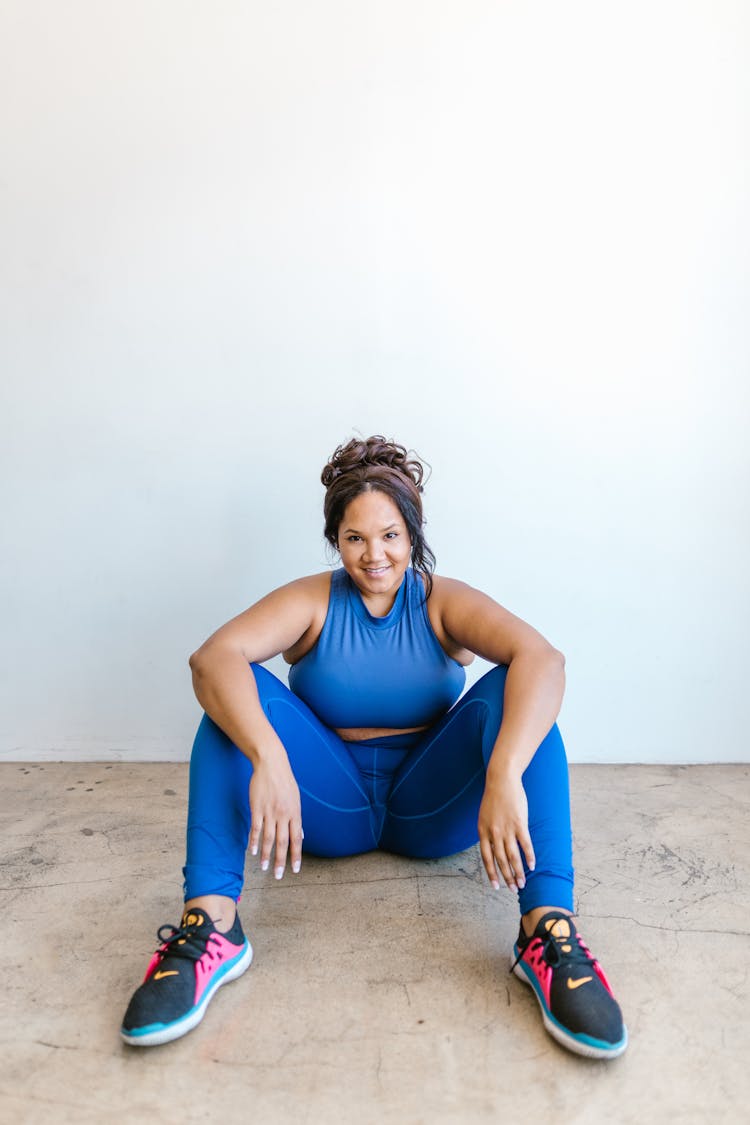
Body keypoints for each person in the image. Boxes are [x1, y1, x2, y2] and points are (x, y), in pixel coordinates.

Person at [121, 436, 627, 1059]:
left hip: (429, 807)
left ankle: (548, 931)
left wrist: (502, 776)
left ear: (412, 534)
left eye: (389, 535)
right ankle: (213, 930)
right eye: (356, 537)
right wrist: (271, 758)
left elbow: (545, 660)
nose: (374, 554)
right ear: (336, 540)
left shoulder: (443, 601)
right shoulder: (313, 598)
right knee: (231, 702)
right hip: (328, 809)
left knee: (526, 700)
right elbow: (212, 659)